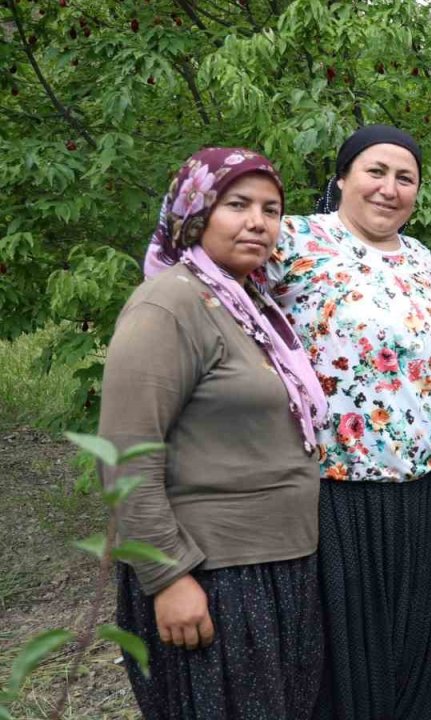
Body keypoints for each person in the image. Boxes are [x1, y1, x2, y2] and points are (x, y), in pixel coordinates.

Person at [159, 126, 431, 720]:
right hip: (331, 483)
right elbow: (213, 297)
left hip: (420, 481)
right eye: (375, 171)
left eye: (405, 178)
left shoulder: (421, 256)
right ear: (342, 177)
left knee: (414, 644)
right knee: (346, 654)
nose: (389, 188)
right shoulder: (296, 239)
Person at [104, 147, 328, 719]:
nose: (258, 221)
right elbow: (127, 458)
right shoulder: (169, 305)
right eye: (238, 204)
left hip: (279, 562)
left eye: (271, 209)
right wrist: (168, 577)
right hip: (212, 571)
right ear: (195, 210)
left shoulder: (248, 304)